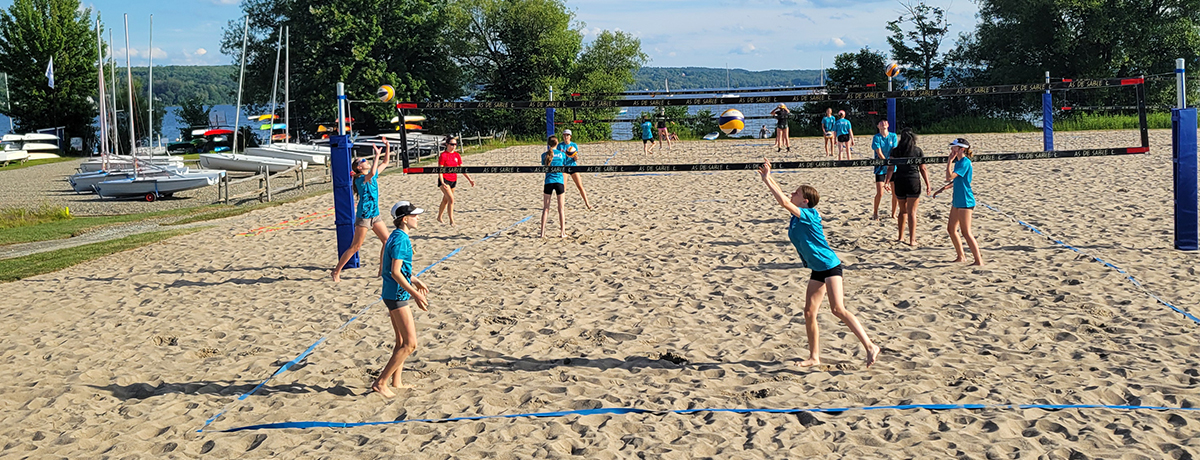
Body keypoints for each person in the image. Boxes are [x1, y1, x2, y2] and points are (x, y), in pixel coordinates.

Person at [758, 159, 881, 369]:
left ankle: (870, 346)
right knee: (809, 313)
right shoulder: (797, 215)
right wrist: (767, 176)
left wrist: (768, 179)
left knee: (837, 309)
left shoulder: (809, 215)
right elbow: (786, 201)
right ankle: (814, 357)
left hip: (830, 266)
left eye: (796, 192)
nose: (792, 194)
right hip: (817, 269)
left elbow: (784, 202)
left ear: (805, 201)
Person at [371, 201, 430, 398]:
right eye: (414, 215)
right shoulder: (400, 240)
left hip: (391, 293)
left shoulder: (396, 236)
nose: (418, 218)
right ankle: (380, 382)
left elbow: (399, 270)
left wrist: (416, 280)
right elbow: (396, 273)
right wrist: (415, 294)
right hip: (397, 295)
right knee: (410, 344)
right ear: (404, 219)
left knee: (401, 342)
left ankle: (397, 381)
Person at [332, 145, 390, 282]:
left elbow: (386, 162)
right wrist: (376, 155)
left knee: (387, 241)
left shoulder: (372, 175)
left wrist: (386, 147)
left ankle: (381, 270)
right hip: (364, 216)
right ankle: (336, 271)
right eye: (362, 160)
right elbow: (371, 173)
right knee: (355, 246)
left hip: (375, 215)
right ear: (359, 167)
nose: (365, 161)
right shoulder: (360, 179)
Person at [933, 138, 985, 265]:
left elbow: (949, 176)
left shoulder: (964, 162)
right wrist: (943, 188)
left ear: (962, 149)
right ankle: (961, 256)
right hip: (957, 200)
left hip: (965, 201)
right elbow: (955, 180)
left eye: (954, 147)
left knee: (966, 232)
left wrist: (949, 161)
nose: (952, 149)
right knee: (951, 229)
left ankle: (979, 260)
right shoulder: (960, 162)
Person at [884, 129, 932, 246]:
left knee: (902, 211)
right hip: (913, 180)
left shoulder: (896, 151)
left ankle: (900, 237)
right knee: (912, 212)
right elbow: (923, 168)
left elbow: (890, 168)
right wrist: (928, 184)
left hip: (900, 180)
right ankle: (912, 240)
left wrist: (887, 181)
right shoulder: (917, 151)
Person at [435, 136, 476, 226]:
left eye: (455, 144)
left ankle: (439, 217)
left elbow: (461, 169)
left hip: (453, 180)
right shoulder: (443, 155)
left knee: (445, 200)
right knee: (451, 200)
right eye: (451, 144)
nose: (453, 146)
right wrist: (442, 182)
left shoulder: (457, 155)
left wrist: (470, 179)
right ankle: (451, 221)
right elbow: (440, 170)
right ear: (447, 144)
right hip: (445, 179)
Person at [870, 119, 899, 221]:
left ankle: (893, 213)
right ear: (878, 126)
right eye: (881, 123)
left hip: (892, 166)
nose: (883, 123)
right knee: (880, 192)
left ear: (888, 125)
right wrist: (885, 162)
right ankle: (875, 212)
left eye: (885, 122)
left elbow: (894, 150)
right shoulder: (876, 137)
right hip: (880, 167)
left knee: (895, 193)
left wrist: (889, 163)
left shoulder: (893, 136)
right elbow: (878, 151)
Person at [557, 129, 592, 210]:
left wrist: (575, 157)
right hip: (564, 167)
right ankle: (562, 205)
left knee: (580, 186)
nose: (565, 137)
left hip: (573, 166)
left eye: (567, 135)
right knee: (563, 187)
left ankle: (587, 203)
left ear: (570, 136)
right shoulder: (560, 146)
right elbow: (559, 157)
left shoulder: (574, 145)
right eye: (564, 135)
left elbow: (575, 157)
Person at [541, 136, 567, 238]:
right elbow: (564, 164)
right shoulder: (562, 154)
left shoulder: (544, 155)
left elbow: (544, 164)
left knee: (546, 209)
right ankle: (562, 232)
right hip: (559, 181)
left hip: (548, 181)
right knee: (561, 208)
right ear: (557, 144)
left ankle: (542, 233)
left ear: (548, 144)